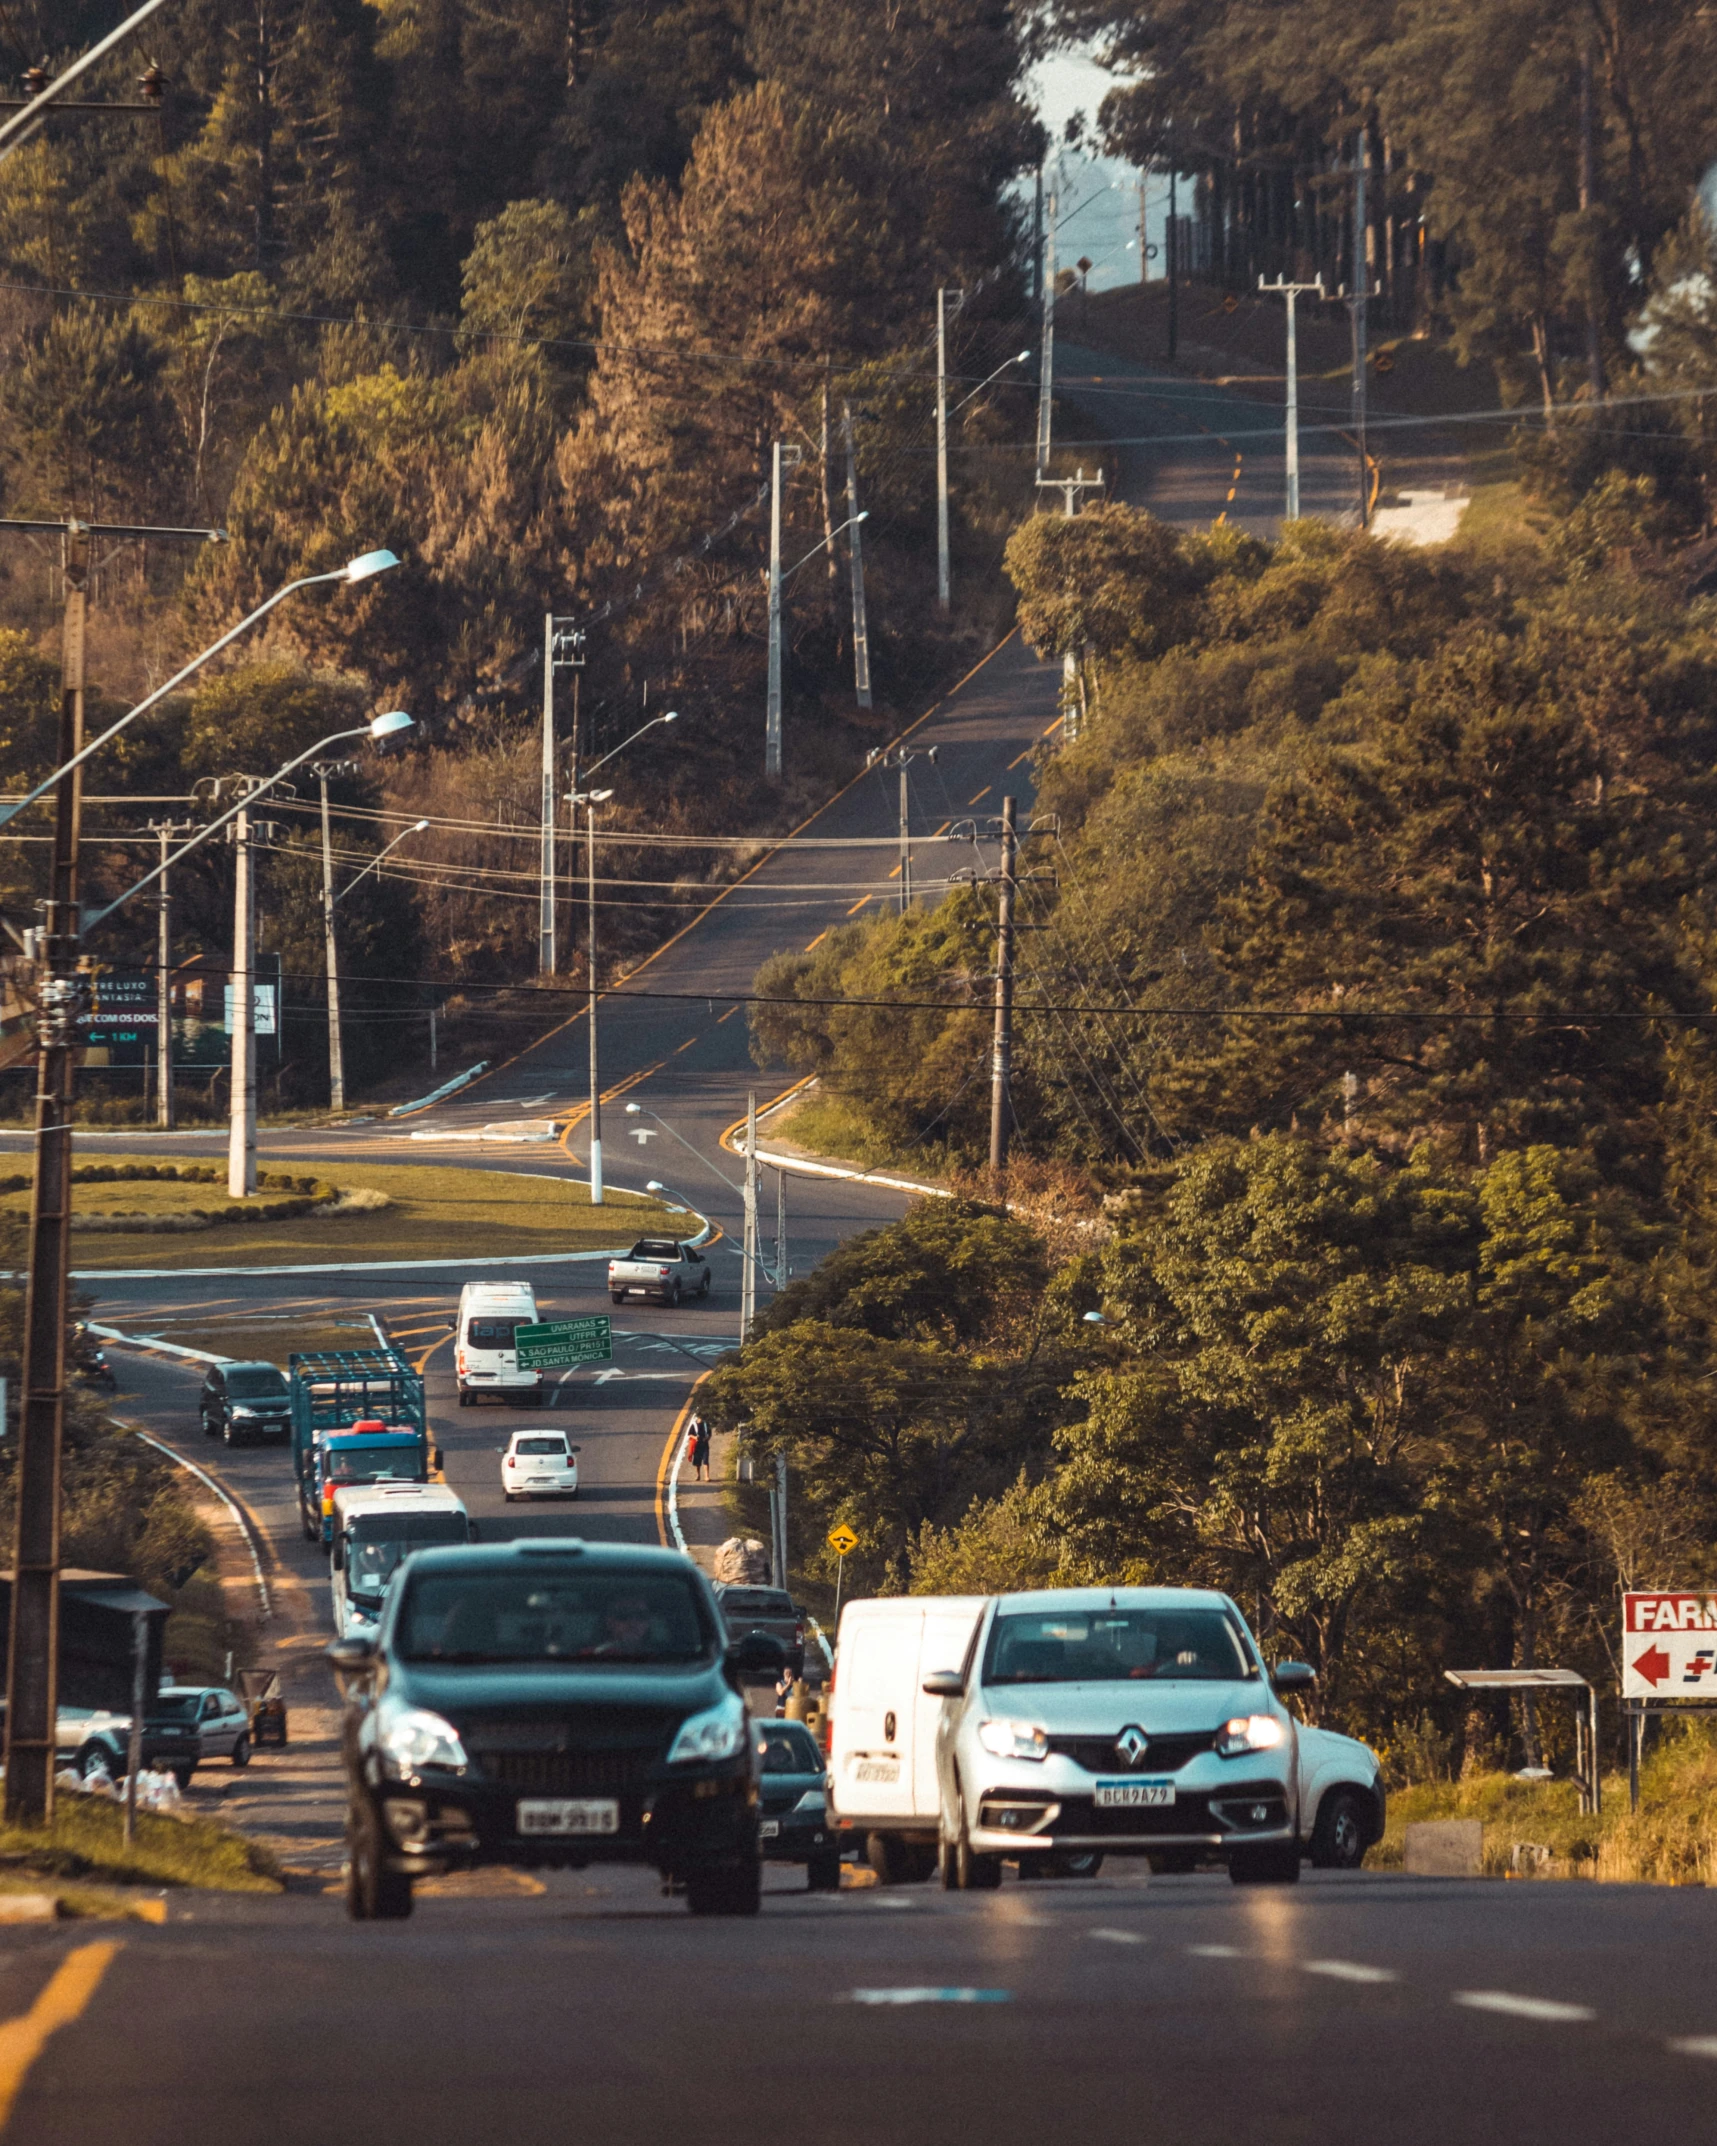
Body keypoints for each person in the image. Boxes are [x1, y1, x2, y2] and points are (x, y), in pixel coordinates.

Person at [687, 1412, 712, 1483]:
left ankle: (707, 1476)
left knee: (706, 1461)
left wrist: (707, 1438)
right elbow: (690, 1434)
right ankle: (698, 1475)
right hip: (697, 1445)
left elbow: (709, 1434)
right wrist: (695, 1437)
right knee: (697, 1462)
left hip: (704, 1445)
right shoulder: (694, 1425)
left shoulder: (706, 1424)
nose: (701, 1419)